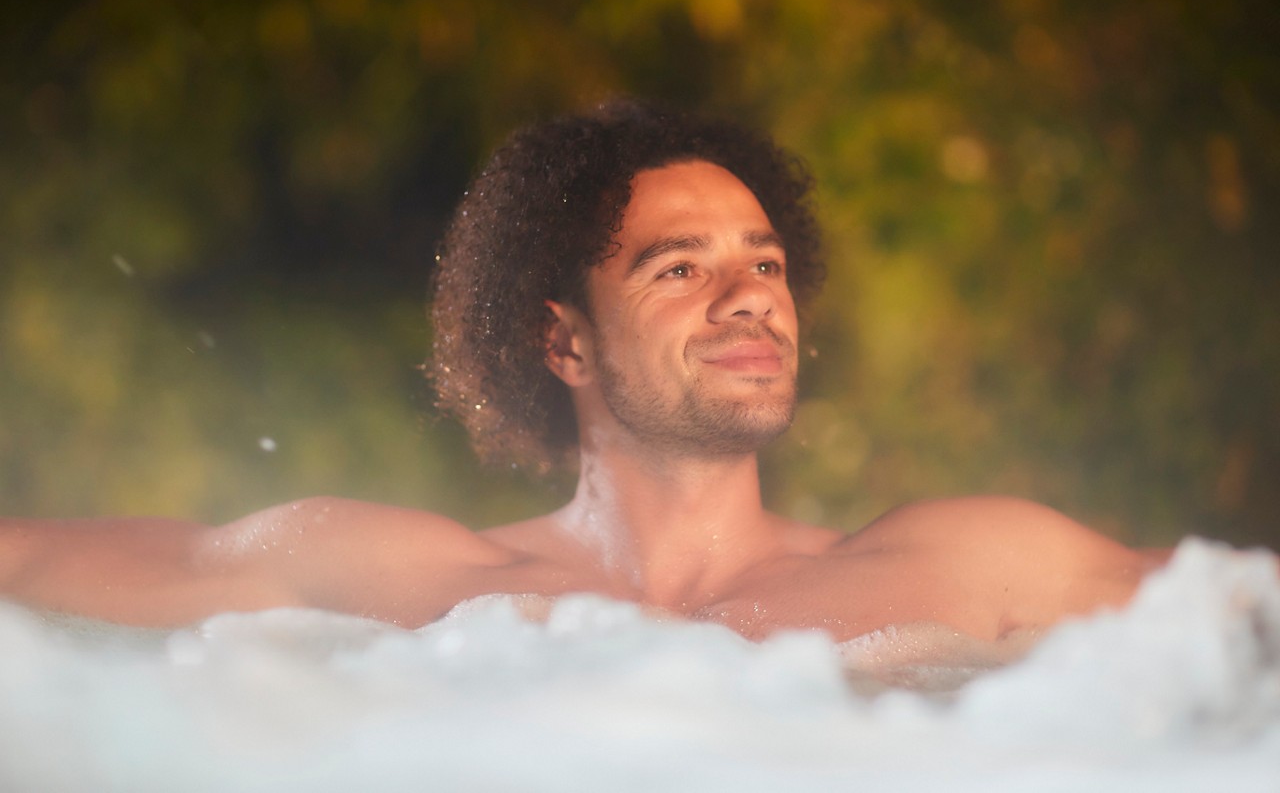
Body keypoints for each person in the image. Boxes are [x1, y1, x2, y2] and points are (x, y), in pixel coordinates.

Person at [0, 100, 1167, 645]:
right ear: (562, 342)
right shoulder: (432, 586)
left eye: (764, 261)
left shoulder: (962, 563)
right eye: (678, 269)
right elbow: (68, 564)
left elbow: (1231, 607)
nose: (751, 292)